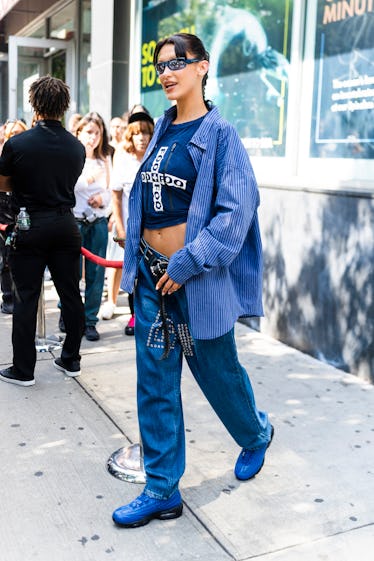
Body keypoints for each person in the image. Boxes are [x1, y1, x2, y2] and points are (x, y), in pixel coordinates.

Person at [112, 33, 274, 529]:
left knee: (218, 375)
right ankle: (161, 488)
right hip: (152, 282)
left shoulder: (221, 134)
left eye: (178, 62)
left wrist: (187, 262)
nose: (167, 71)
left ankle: (254, 434)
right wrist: (139, 257)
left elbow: (234, 213)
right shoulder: (160, 132)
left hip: (197, 281)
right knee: (155, 384)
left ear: (203, 67)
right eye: (160, 65)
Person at [0, 75, 86, 386]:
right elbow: (69, 181)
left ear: (34, 104)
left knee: (26, 297)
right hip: (65, 224)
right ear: (64, 106)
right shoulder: (76, 147)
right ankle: (71, 358)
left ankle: (24, 370)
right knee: (71, 294)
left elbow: (3, 184)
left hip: (30, 224)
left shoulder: (18, 143)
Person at [101, 110, 154, 336]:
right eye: (137, 133)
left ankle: (153, 316)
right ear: (130, 136)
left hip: (155, 229)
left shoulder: (156, 157)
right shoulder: (123, 159)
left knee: (152, 274)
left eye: (146, 133)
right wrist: (121, 228)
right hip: (130, 229)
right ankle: (134, 316)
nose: (142, 137)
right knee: (132, 275)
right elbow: (115, 196)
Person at [72, 112, 112, 341]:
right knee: (71, 272)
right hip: (74, 221)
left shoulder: (104, 158)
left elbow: (111, 190)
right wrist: (86, 181)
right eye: (89, 132)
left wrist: (102, 199)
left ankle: (90, 321)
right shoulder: (71, 156)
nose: (93, 137)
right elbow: (66, 187)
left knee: (96, 274)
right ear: (79, 132)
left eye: (97, 133)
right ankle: (68, 313)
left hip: (97, 221)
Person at [0, 119, 29, 315]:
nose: (16, 136)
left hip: (23, 218)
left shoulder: (30, 159)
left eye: (20, 132)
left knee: (21, 261)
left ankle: (20, 297)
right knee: (5, 261)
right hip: (2, 217)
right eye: (12, 133)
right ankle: (8, 297)